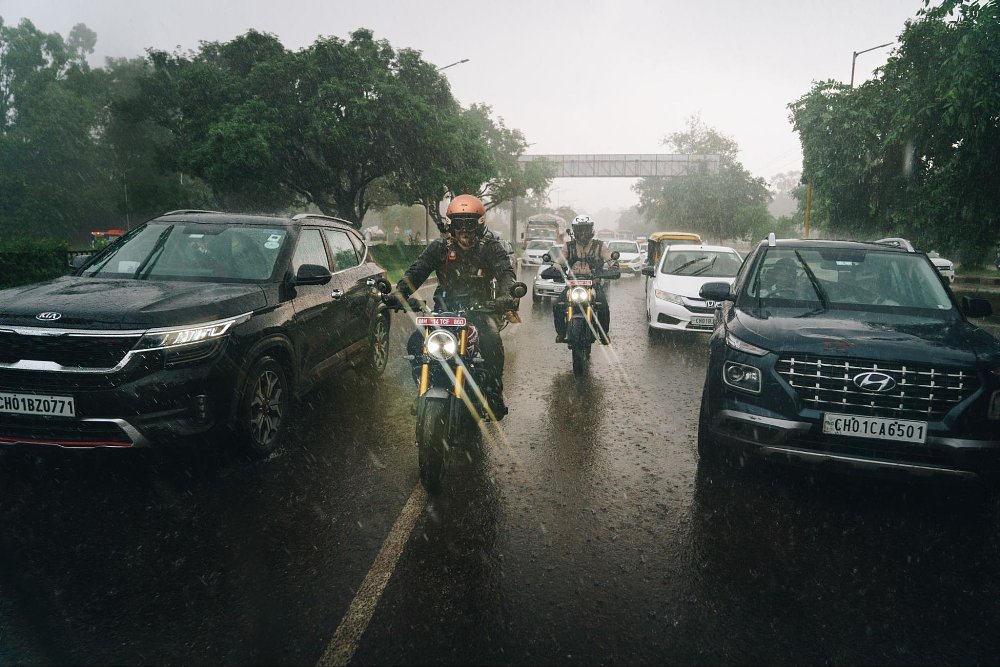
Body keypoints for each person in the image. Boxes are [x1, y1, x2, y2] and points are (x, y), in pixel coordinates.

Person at [394, 194, 518, 419]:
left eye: (470, 224)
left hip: (481, 309)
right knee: (415, 343)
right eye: (459, 224)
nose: (464, 230)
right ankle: (423, 388)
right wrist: (399, 293)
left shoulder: (492, 248)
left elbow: (505, 274)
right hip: (444, 310)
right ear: (451, 226)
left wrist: (507, 296)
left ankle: (493, 395)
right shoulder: (438, 248)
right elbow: (417, 272)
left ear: (479, 225)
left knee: (491, 340)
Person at [544, 215, 615, 344]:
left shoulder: (600, 246)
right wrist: (554, 268)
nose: (583, 233)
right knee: (558, 306)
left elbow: (609, 258)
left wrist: (614, 266)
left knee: (603, 306)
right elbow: (560, 259)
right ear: (574, 231)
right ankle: (561, 332)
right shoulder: (568, 246)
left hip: (594, 285)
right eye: (580, 230)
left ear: (591, 230)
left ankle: (604, 334)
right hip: (572, 285)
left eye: (586, 229)